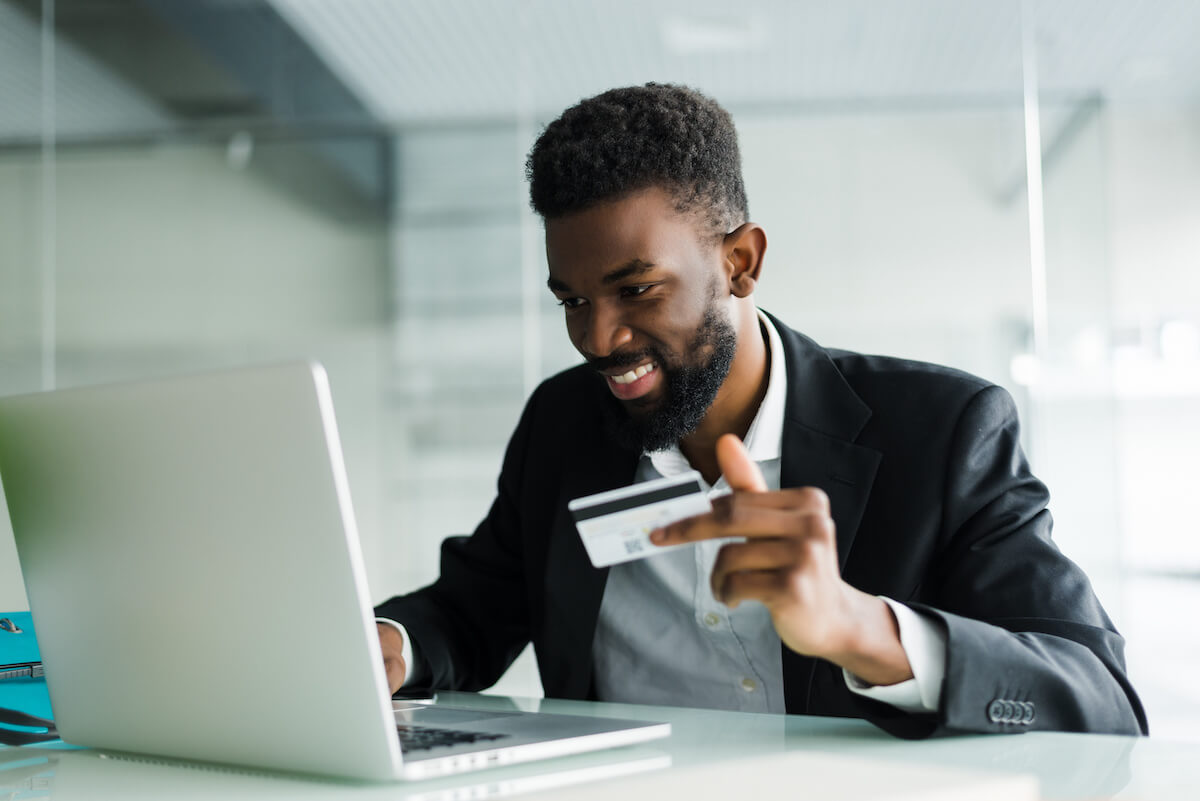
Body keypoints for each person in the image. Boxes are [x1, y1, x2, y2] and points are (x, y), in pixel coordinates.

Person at [374, 83, 1147, 738]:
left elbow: (1103, 701)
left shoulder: (946, 430)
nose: (597, 336)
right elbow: (477, 605)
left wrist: (861, 628)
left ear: (740, 262)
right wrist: (393, 645)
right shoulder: (564, 423)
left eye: (637, 289)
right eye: (572, 299)